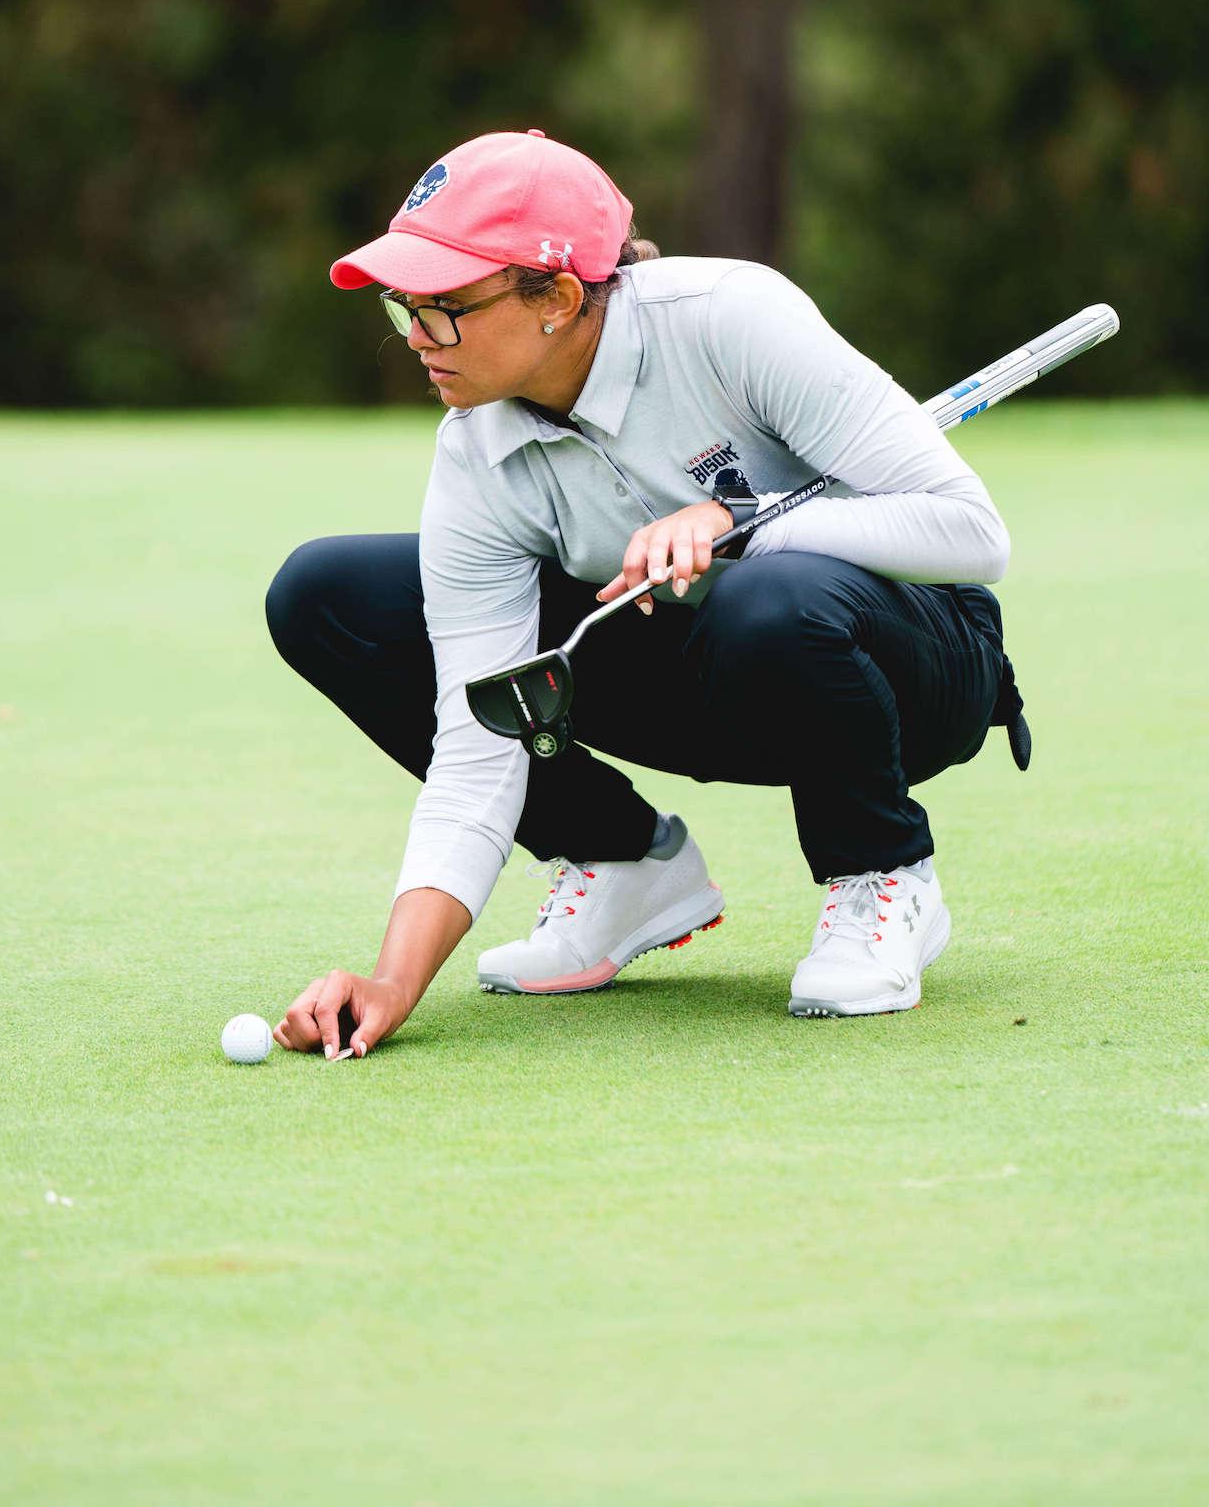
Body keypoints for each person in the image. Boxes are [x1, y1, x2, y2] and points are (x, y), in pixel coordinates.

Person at [265, 128, 1022, 1059]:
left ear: (559, 298)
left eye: (448, 307)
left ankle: (883, 874)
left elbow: (970, 535)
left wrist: (740, 526)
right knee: (327, 595)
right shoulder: (476, 452)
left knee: (772, 601)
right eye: (405, 308)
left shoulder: (729, 318)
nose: (419, 339)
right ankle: (622, 860)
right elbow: (481, 731)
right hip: (708, 669)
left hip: (914, 665)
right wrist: (391, 981)